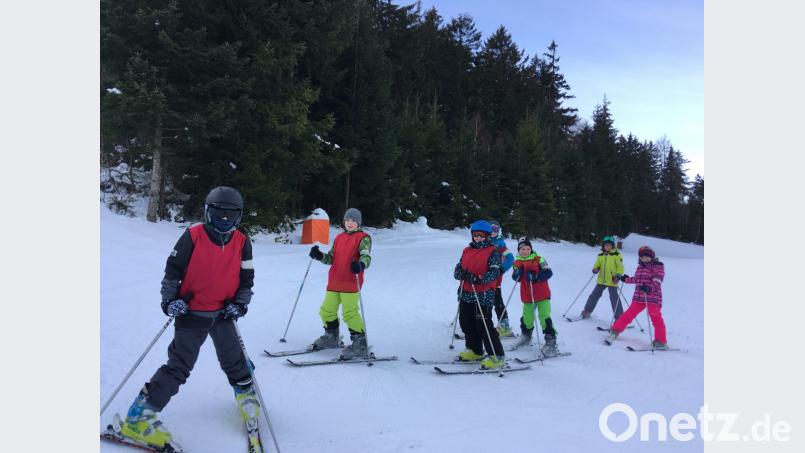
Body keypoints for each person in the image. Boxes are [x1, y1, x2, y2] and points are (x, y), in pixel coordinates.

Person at [117, 187, 258, 451]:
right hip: (192, 312)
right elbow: (173, 271)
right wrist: (170, 301)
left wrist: (240, 304)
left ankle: (246, 395)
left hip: (224, 312)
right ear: (208, 211)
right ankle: (139, 417)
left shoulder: (242, 240)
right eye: (219, 214)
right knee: (179, 366)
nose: (224, 221)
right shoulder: (193, 236)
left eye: (231, 215)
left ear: (238, 216)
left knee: (234, 358)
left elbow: (247, 278)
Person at [308, 208, 372, 359]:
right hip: (334, 281)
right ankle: (331, 337)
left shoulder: (364, 238)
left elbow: (366, 257)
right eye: (347, 220)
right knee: (326, 310)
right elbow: (331, 258)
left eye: (353, 220)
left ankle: (360, 345)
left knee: (350, 314)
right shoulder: (339, 238)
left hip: (350, 282)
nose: (350, 223)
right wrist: (319, 255)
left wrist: (361, 265)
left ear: (359, 222)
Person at [453, 220, 506, 369]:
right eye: (475, 235)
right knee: (466, 322)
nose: (478, 238)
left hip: (483, 293)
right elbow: (458, 267)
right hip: (466, 292)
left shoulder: (492, 251)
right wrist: (460, 273)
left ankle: (497, 356)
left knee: (483, 324)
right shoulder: (467, 250)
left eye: (482, 235)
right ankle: (475, 350)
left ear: (488, 236)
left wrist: (478, 278)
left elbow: (495, 272)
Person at [606, 246, 668, 349]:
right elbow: (637, 279)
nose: (645, 258)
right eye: (643, 257)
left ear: (652, 257)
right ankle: (615, 330)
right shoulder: (640, 267)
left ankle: (661, 341)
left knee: (656, 318)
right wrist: (626, 279)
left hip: (652, 297)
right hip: (639, 297)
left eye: (648, 257)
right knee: (628, 314)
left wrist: (649, 288)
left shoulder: (658, 266)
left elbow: (658, 280)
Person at [511, 238, 558, 355]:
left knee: (544, 317)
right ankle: (526, 336)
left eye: (528, 249)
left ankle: (551, 341)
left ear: (531, 249)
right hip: (527, 295)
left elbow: (549, 273)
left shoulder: (538, 259)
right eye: (523, 249)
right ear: (519, 250)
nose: (525, 251)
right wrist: (518, 274)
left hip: (542, 294)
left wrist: (537, 276)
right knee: (527, 318)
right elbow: (514, 277)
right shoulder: (517, 262)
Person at [580, 236, 624, 321]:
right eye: (606, 245)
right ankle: (587, 311)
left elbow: (620, 267)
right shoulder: (600, 255)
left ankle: (620, 317)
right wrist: (595, 269)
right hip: (601, 280)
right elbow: (597, 265)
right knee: (594, 295)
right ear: (603, 246)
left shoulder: (617, 255)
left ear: (612, 246)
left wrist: (618, 276)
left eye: (610, 245)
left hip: (612, 280)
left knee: (614, 298)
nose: (608, 247)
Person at [488, 220, 515, 337]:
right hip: (482, 279)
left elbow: (510, 258)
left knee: (497, 302)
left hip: (495, 280)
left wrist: (502, 269)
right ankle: (480, 324)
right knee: (480, 302)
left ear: (498, 231)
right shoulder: (484, 241)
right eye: (491, 229)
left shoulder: (500, 244)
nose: (493, 232)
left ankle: (504, 327)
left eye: (495, 229)